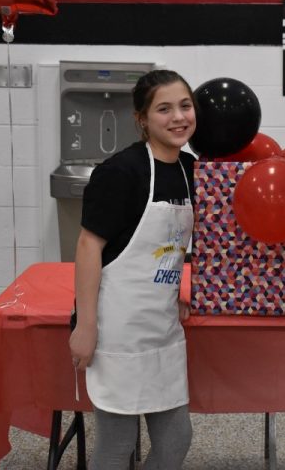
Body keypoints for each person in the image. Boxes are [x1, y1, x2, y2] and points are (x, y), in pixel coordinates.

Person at [69, 69, 197, 469]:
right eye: (164, 109)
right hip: (117, 328)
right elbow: (90, 246)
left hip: (161, 327)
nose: (178, 117)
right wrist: (86, 325)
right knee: (117, 444)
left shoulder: (192, 170)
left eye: (185, 105)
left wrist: (175, 292)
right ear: (142, 118)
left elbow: (170, 248)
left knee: (177, 439)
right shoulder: (120, 173)